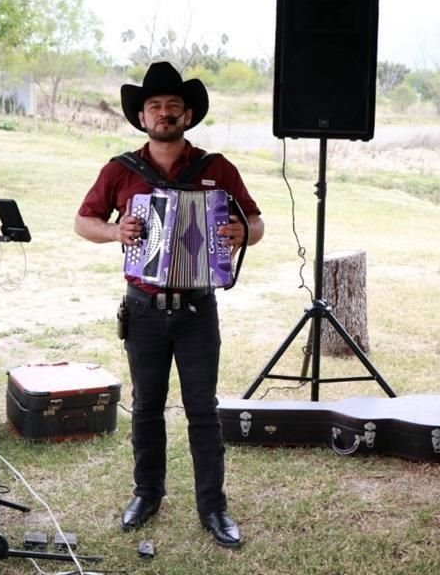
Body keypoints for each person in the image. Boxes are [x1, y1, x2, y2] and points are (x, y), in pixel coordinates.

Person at [75, 61, 264, 547]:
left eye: (173, 107)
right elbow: (83, 222)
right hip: (143, 309)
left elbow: (256, 223)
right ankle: (147, 493)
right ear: (142, 117)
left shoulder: (215, 168)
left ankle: (213, 506)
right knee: (146, 409)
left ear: (188, 115)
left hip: (199, 309)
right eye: (156, 107)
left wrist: (243, 234)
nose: (164, 114)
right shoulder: (121, 169)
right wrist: (116, 230)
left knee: (203, 409)